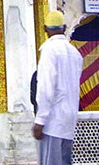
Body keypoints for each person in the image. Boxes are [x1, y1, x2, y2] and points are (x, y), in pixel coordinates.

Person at [32, 11, 83, 165]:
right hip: (69, 119)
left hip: (52, 121)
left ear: (45, 29)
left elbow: (46, 88)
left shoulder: (49, 50)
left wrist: (40, 121)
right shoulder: (75, 54)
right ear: (65, 27)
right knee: (64, 160)